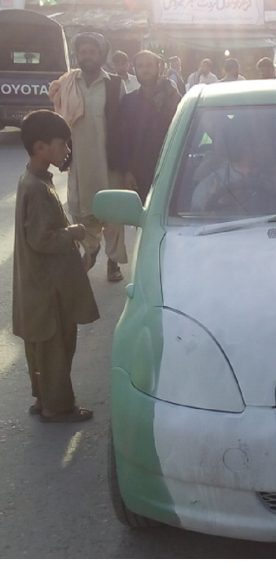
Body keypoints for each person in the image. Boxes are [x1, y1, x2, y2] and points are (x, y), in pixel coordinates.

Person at [13, 110, 99, 423]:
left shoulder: (32, 180)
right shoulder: (36, 188)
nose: (66, 150)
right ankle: (57, 406)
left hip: (37, 284)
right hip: (48, 287)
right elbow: (42, 239)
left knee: (41, 347)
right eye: (61, 144)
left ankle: (42, 398)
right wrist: (74, 232)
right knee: (56, 347)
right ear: (40, 148)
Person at [49, 31, 128, 282]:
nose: (87, 56)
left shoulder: (115, 84)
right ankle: (91, 249)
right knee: (82, 211)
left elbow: (125, 125)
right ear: (78, 55)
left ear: (101, 55)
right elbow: (58, 117)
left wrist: (127, 165)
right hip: (79, 160)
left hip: (109, 161)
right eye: (83, 52)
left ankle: (113, 262)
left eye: (92, 52)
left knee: (112, 214)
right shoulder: (68, 83)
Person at [120, 50, 181, 202]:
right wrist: (127, 171)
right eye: (140, 66)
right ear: (134, 69)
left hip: (170, 168)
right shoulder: (129, 101)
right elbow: (124, 139)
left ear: (158, 67)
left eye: (149, 65)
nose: (145, 70)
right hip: (140, 172)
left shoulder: (171, 96)